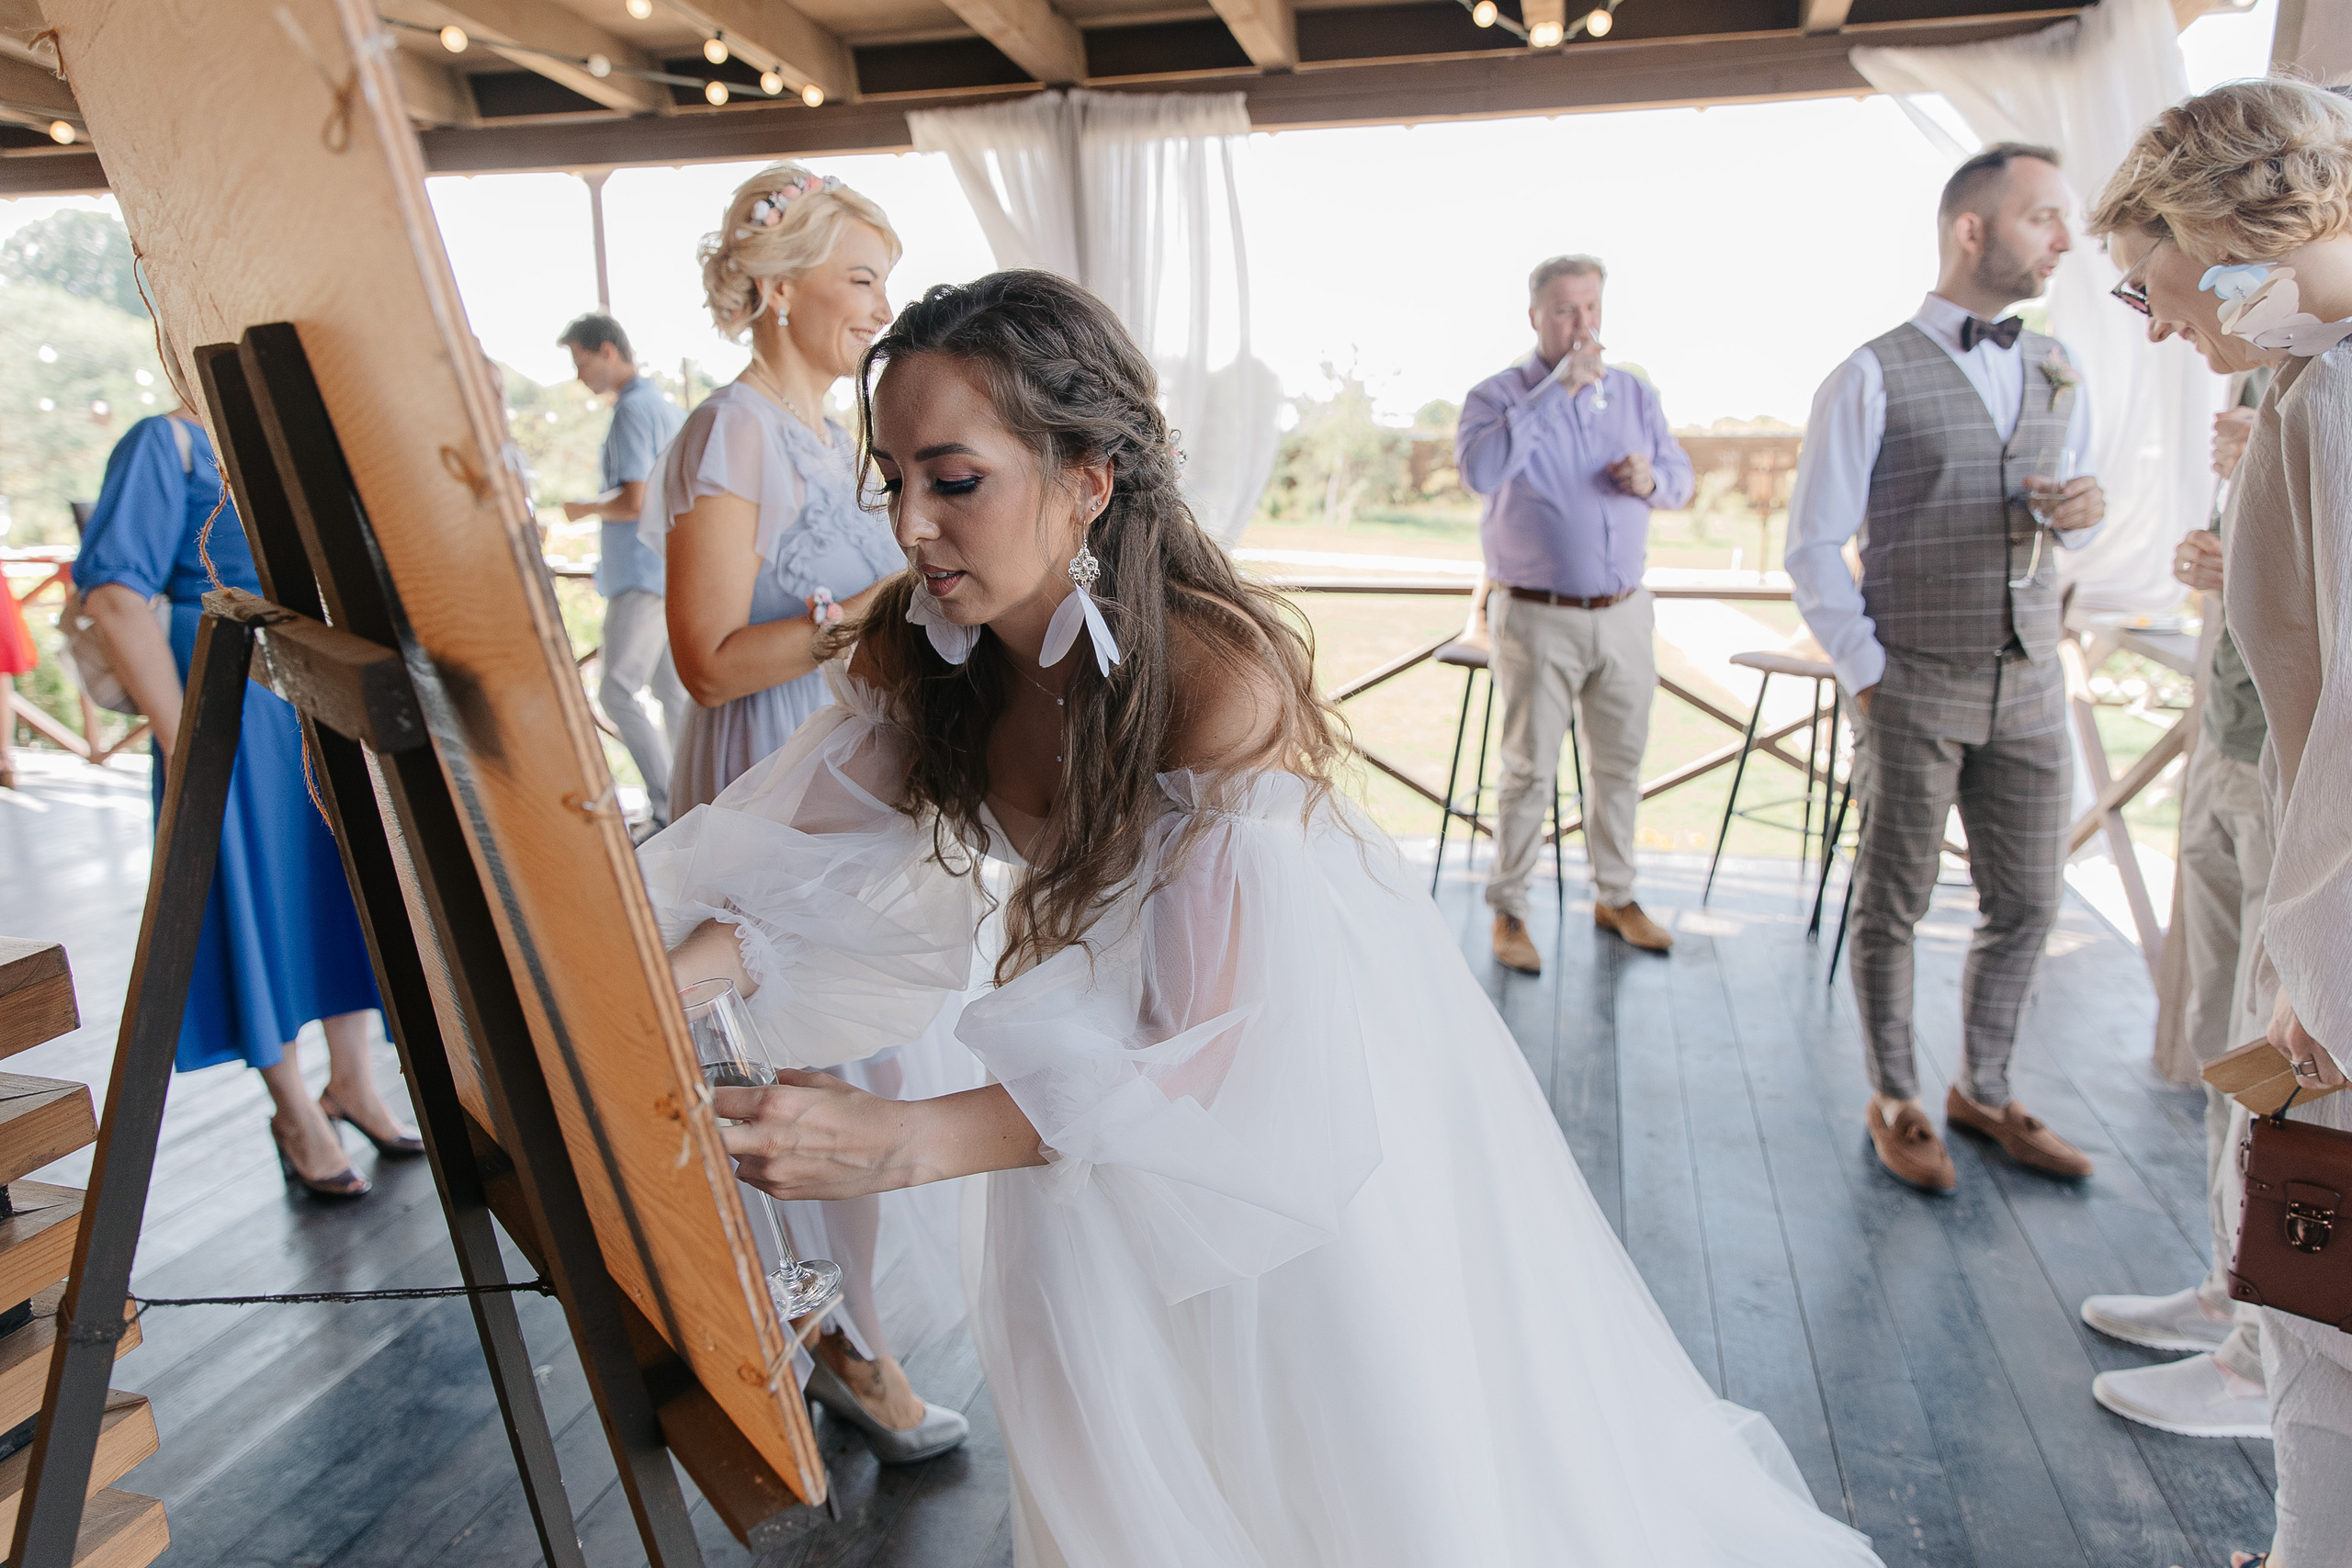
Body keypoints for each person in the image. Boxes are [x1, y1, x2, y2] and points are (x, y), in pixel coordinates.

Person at [642, 269, 1884, 1568]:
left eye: (954, 479)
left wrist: (905, 1140)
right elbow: (806, 876)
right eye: (889, 478)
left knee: (1341, 1474)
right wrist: (650, 998)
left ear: (1089, 477)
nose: (909, 524)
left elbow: (1219, 1051)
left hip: (1290, 1116)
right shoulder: (927, 647)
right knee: (1124, 1470)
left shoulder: (1213, 680)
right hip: (1069, 1105)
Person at [640, 162, 969, 1462]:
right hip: (766, 773)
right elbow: (709, 657)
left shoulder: (833, 437)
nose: (880, 307)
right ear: (780, 291)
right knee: (792, 1061)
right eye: (862, 280)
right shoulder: (729, 430)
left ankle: (832, 1330)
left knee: (853, 1057)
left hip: (842, 782)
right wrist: (864, 615)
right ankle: (842, 1349)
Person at [2090, 77, 2352, 1568]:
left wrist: (2318, 978)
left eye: (2151, 264)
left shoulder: (2335, 395)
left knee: (2326, 1321)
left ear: (2228, 222)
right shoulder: (2314, 384)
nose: (2143, 307)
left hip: (2347, 957)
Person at [1786, 143, 2106, 1194]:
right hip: (1911, 679)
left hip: (2032, 685)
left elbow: (2077, 525)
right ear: (1973, 230)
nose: (2065, 239)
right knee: (1894, 901)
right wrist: (1868, 668)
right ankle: (1895, 1095)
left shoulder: (2059, 366)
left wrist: (2088, 515)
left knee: (2028, 903)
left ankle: (1986, 1088)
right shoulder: (1869, 372)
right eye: (2043, 218)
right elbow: (1813, 543)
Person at [73, 409, 416, 1199]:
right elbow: (115, 593)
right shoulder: (168, 441)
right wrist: (188, 742)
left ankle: (353, 1084)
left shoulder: (287, 428)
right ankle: (295, 1111)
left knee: (339, 894)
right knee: (252, 906)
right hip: (225, 707)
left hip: (313, 698)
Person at [2080, 377, 2275, 1441]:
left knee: (2275, 1073)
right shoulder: (2261, 360)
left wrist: (2294, 460)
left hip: (2297, 773)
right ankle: (2227, 1291)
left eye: (2148, 279)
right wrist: (2221, 554)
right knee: (2217, 1046)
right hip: (2226, 740)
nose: (2152, 326)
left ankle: (2264, 1359)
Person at [1455, 254, 1695, 974]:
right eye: (1566, 310)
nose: (1583, 324)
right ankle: (1511, 909)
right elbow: (1482, 472)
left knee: (1620, 766)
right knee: (1528, 771)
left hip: (1625, 613)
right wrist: (1554, 393)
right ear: (1536, 316)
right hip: (1536, 615)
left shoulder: (1634, 395)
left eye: (1592, 308)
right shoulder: (1497, 396)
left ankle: (1616, 895)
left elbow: (1681, 481)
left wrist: (1653, 479)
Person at [557, 313, 689, 833]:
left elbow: (634, 500)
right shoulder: (666, 409)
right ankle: (693, 802)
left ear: (607, 351)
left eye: (581, 362)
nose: (579, 376)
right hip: (665, 568)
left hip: (642, 572)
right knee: (669, 693)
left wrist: (580, 508)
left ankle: (667, 807)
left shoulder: (634, 412)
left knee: (615, 689)